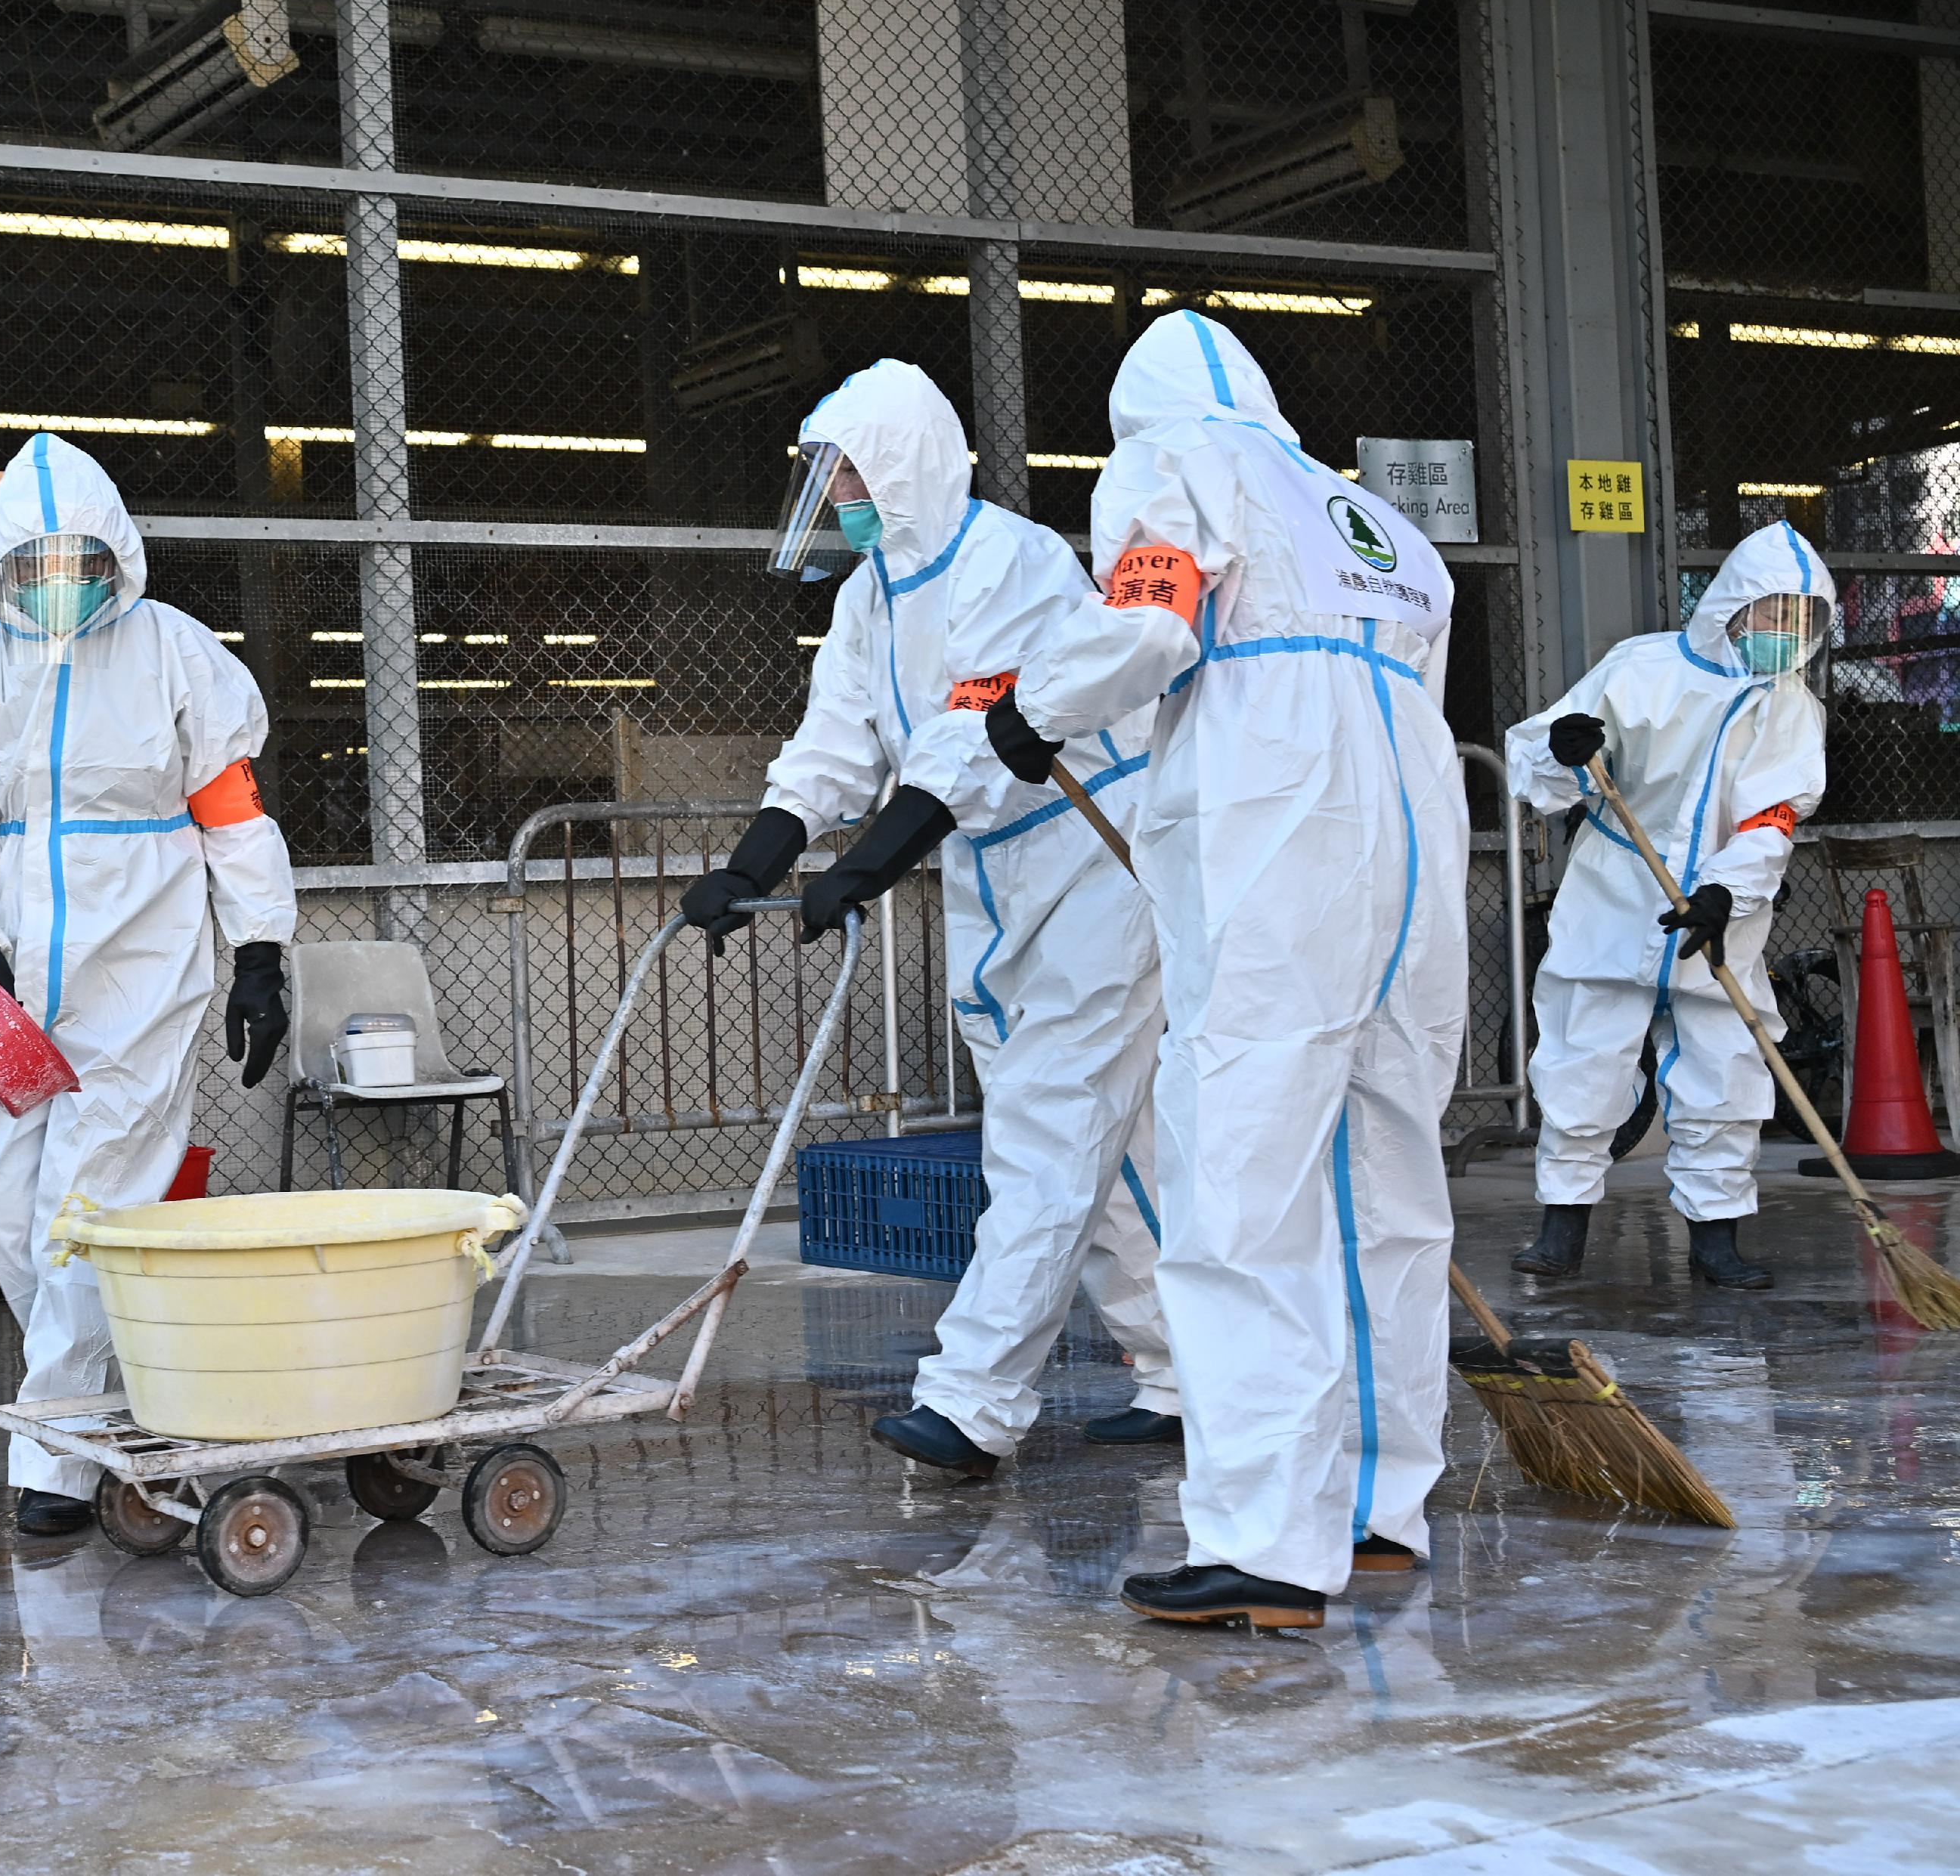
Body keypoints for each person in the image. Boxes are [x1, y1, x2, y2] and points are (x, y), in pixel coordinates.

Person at [986, 311, 1464, 1629]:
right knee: (1388, 1174)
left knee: (1244, 1164)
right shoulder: (1371, 520)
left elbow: (1154, 623)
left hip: (1281, 813)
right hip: (1415, 810)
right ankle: (1378, 1506)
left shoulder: (1174, 460)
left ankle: (1265, 1539)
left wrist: (1038, 707)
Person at [680, 358, 1179, 1482]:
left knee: (1049, 1144)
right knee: (1112, 1144)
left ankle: (972, 1401)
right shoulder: (871, 594)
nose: (832, 492)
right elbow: (836, 742)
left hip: (1095, 872)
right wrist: (753, 856)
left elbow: (979, 740)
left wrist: (865, 864)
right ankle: (1184, 1370)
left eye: (845, 469)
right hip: (993, 883)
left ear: (900, 466)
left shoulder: (1017, 562)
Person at [0, 432, 296, 1537]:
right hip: (13, 963)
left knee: (89, 1192)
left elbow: (232, 813)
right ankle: (110, 1372)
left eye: (82, 561)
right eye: (36, 564)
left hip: (145, 955)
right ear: (3, 566)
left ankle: (56, 1459)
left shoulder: (178, 653)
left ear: (120, 554)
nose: (60, 585)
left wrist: (259, 949)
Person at [1503, 523, 1832, 1292]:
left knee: (1725, 1075)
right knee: (1581, 1068)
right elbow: (1541, 764)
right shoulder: (1640, 669)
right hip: (1614, 902)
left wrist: (1723, 892)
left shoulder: (1791, 707)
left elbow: (1771, 817)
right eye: (1772, 613)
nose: (1783, 635)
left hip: (1722, 916)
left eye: (1800, 620)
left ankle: (1716, 1240)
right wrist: (1567, 748)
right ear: (1732, 607)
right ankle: (1561, 1228)